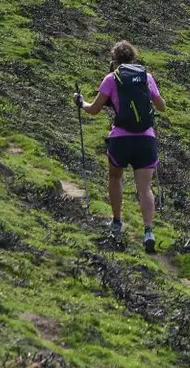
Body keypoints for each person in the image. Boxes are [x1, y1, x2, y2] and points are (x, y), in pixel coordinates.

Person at [77, 40, 166, 253]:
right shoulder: (147, 77)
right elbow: (162, 106)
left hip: (120, 138)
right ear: (133, 57)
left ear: (114, 59)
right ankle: (148, 231)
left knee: (115, 178)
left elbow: (94, 109)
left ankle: (117, 222)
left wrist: (81, 102)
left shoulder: (111, 79)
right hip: (145, 138)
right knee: (144, 188)